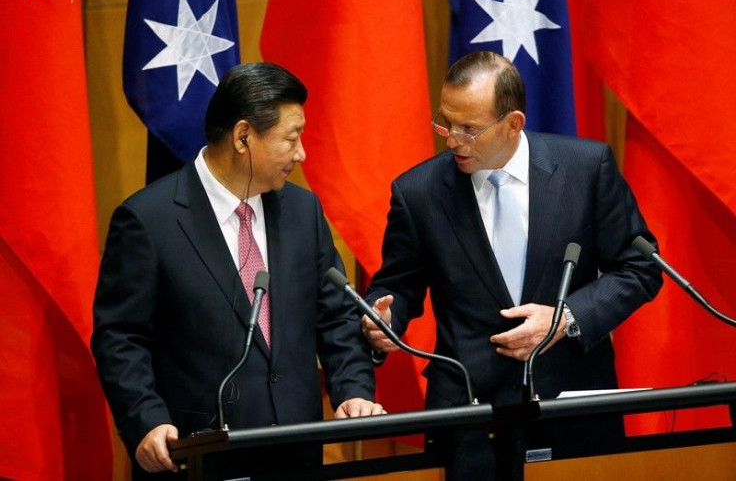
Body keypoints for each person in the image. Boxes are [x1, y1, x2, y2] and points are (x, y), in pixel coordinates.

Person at [362, 51, 662, 479]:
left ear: (513, 123)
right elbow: (399, 285)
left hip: (572, 409)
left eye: (468, 129)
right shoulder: (419, 192)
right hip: (470, 418)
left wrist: (567, 318)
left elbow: (640, 268)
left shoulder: (585, 169)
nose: (451, 139)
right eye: (445, 122)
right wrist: (384, 314)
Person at [91, 62, 384, 480]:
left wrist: (353, 390)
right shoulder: (147, 221)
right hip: (198, 455)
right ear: (244, 136)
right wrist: (147, 420)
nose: (301, 153)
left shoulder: (303, 212)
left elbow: (335, 317)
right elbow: (121, 338)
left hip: (295, 454)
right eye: (292, 138)